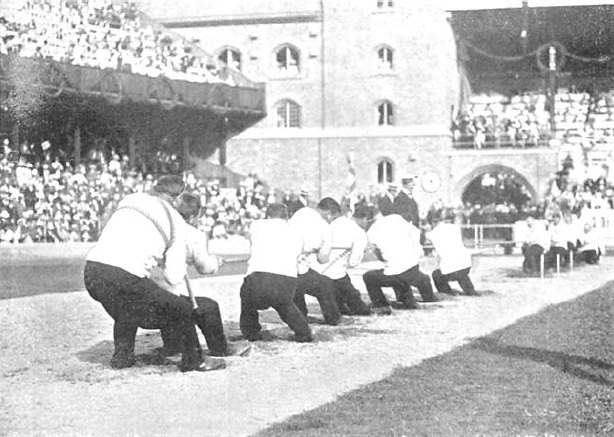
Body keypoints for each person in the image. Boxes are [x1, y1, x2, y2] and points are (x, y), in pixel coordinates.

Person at [83, 175, 224, 372]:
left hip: (92, 270)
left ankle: (122, 357)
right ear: (178, 198)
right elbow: (173, 276)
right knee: (182, 308)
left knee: (127, 308)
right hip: (125, 275)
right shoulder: (177, 222)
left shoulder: (130, 199)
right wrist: (171, 257)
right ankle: (194, 361)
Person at [155, 192, 249, 358]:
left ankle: (173, 345)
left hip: (148, 291)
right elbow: (204, 268)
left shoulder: (157, 226)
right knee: (208, 306)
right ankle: (220, 349)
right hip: (167, 299)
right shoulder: (194, 234)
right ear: (195, 216)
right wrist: (216, 262)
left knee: (173, 293)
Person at [239, 202, 313, 342]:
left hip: (259, 278)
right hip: (287, 280)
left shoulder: (257, 225)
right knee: (285, 305)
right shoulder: (296, 230)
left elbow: (251, 237)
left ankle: (251, 333)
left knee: (247, 299)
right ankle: (304, 332)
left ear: (267, 215)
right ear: (286, 216)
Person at [356, 205, 435, 315]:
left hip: (397, 272)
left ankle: (381, 305)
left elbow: (380, 258)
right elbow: (415, 232)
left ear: (366, 219)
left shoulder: (370, 233)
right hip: (413, 265)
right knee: (397, 270)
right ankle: (409, 302)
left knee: (369, 276)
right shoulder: (396, 218)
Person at [313, 197, 371, 316]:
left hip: (315, 274)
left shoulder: (323, 227)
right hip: (336, 276)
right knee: (357, 304)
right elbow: (353, 263)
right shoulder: (358, 232)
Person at [289, 204, 345, 325]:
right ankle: (333, 319)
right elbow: (322, 259)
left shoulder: (298, 215)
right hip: (298, 270)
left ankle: (301, 315)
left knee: (300, 279)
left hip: (283, 269)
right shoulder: (324, 227)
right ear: (329, 215)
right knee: (326, 284)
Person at [426, 208, 478, 296]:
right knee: (461, 274)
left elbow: (427, 242)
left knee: (436, 274)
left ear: (432, 222)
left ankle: (446, 292)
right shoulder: (454, 228)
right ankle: (470, 290)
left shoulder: (432, 233)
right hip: (466, 263)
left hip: (451, 268)